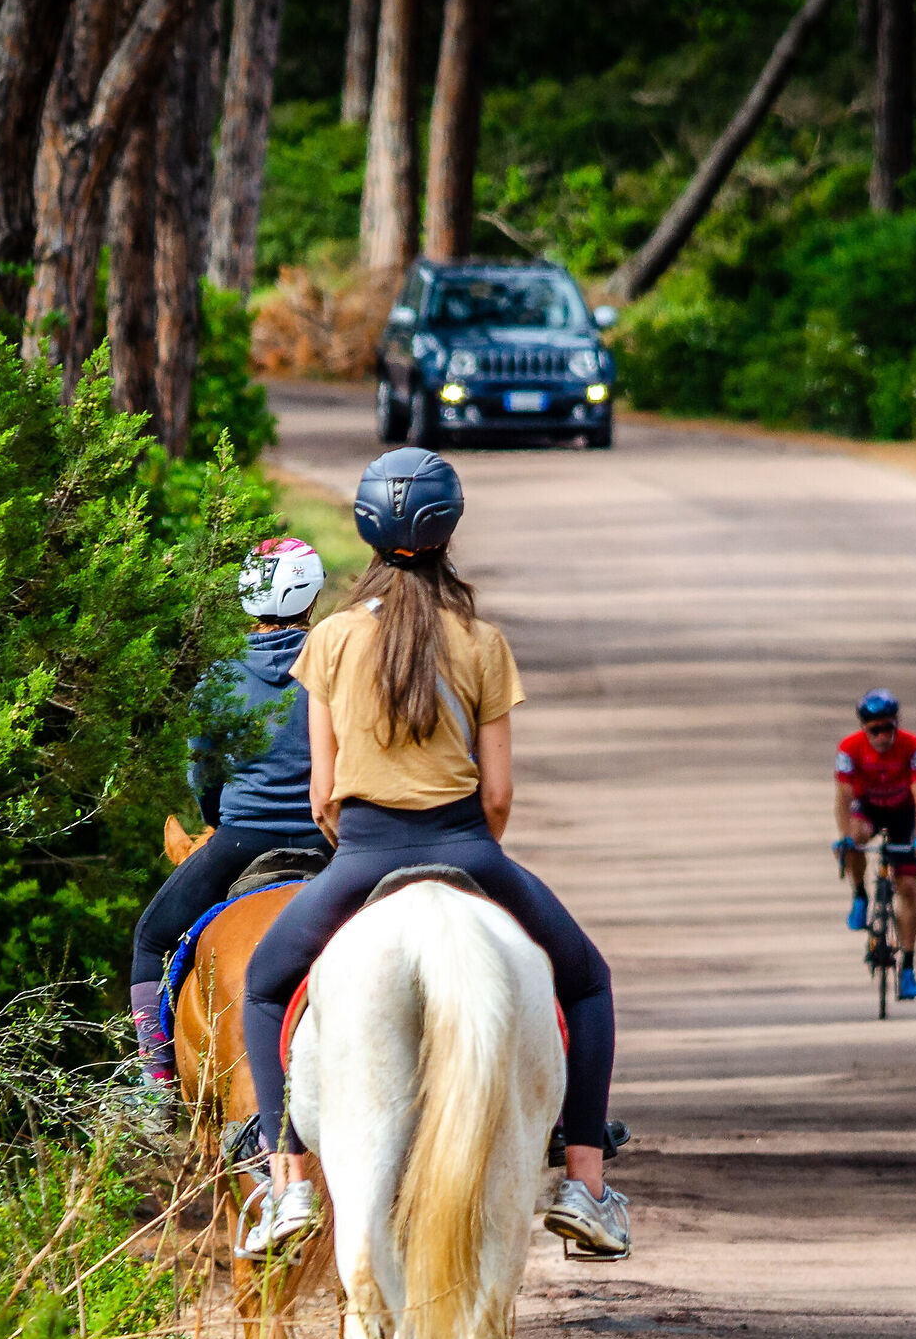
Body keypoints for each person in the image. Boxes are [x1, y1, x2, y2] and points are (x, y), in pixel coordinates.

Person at [234, 447, 629, 1264]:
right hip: (467, 850)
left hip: (360, 859)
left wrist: (362, 846)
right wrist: (470, 860)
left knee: (266, 989)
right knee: (587, 982)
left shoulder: (333, 640)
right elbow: (498, 797)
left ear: (365, 530)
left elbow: (324, 793)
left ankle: (290, 1181)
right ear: (449, 530)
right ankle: (586, 1186)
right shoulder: (481, 641)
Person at [129, 538, 334, 1091]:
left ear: (247, 598)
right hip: (334, 840)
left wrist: (217, 819)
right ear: (312, 599)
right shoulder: (337, 668)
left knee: (151, 941)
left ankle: (158, 1083)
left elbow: (203, 776)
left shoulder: (218, 679)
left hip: (242, 840)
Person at [834, 688, 916, 1001]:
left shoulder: (912, 746)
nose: (882, 736)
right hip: (869, 809)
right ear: (864, 729)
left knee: (907, 888)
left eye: (888, 727)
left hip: (903, 812)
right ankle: (860, 894)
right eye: (874, 730)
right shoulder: (849, 749)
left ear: (896, 724)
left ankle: (908, 967)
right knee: (856, 837)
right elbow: (843, 796)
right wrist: (845, 836)